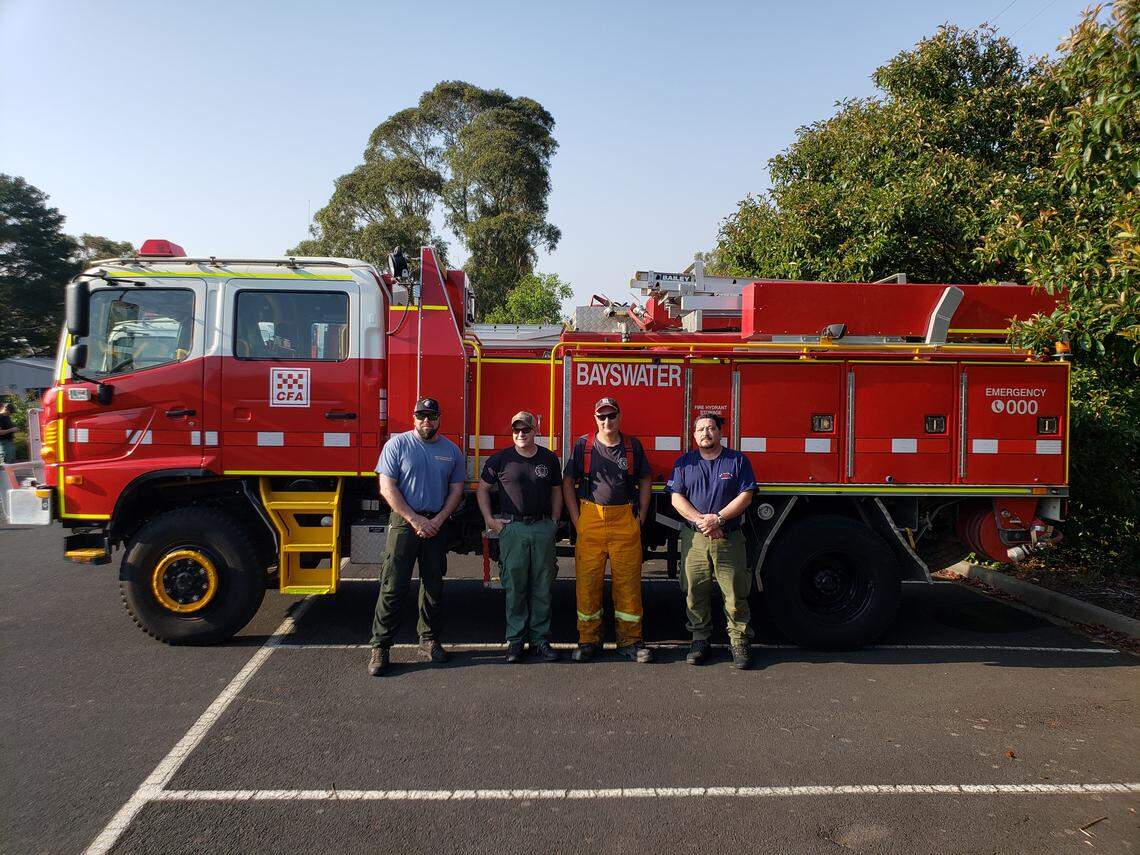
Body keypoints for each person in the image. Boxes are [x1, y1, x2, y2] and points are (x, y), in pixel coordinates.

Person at [368, 397, 466, 676]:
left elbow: (456, 490)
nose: (426, 421)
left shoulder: (451, 451)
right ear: (413, 418)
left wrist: (436, 520)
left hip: (436, 523)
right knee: (393, 584)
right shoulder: (397, 445)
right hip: (404, 522)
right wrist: (414, 519)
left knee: (433, 586)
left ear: (439, 419)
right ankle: (381, 646)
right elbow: (387, 488)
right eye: (421, 416)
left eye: (431, 416)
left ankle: (429, 640)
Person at [562, 396, 653, 663]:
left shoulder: (632, 446)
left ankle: (631, 641)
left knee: (628, 584)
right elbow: (568, 482)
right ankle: (588, 640)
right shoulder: (584, 445)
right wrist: (578, 520)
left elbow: (645, 479)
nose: (607, 421)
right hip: (591, 518)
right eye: (602, 416)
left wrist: (641, 518)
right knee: (588, 584)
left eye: (611, 415)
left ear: (619, 417)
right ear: (595, 418)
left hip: (625, 520)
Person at [668, 413, 758, 669]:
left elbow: (746, 495)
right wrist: (702, 521)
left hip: (728, 537)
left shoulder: (737, 461)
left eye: (710, 428)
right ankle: (699, 640)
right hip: (695, 537)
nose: (705, 433)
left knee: (734, 591)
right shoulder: (684, 463)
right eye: (700, 429)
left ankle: (739, 642)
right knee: (694, 589)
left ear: (720, 433)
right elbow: (676, 498)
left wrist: (718, 519)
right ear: (694, 435)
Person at [476, 411, 563, 664]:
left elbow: (557, 490)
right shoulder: (501, 459)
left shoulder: (548, 458)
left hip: (541, 528)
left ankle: (540, 640)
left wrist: (554, 521)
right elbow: (482, 489)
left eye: (525, 430)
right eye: (516, 430)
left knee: (542, 585)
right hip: (512, 529)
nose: (521, 434)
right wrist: (491, 520)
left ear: (535, 430)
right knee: (515, 586)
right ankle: (515, 641)